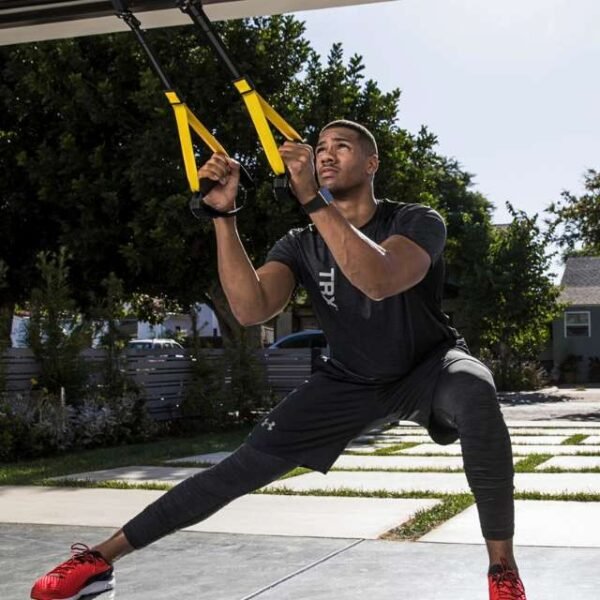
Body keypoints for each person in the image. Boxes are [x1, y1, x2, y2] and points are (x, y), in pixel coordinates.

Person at [31, 120, 526, 600]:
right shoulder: (299, 243)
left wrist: (313, 196)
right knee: (237, 470)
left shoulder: (416, 220)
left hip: (430, 366)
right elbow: (250, 309)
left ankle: (502, 571)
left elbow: (379, 278)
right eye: (321, 145)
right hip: (350, 380)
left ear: (372, 162)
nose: (326, 153)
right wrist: (224, 217)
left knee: (475, 390)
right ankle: (98, 561)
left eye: (342, 146)